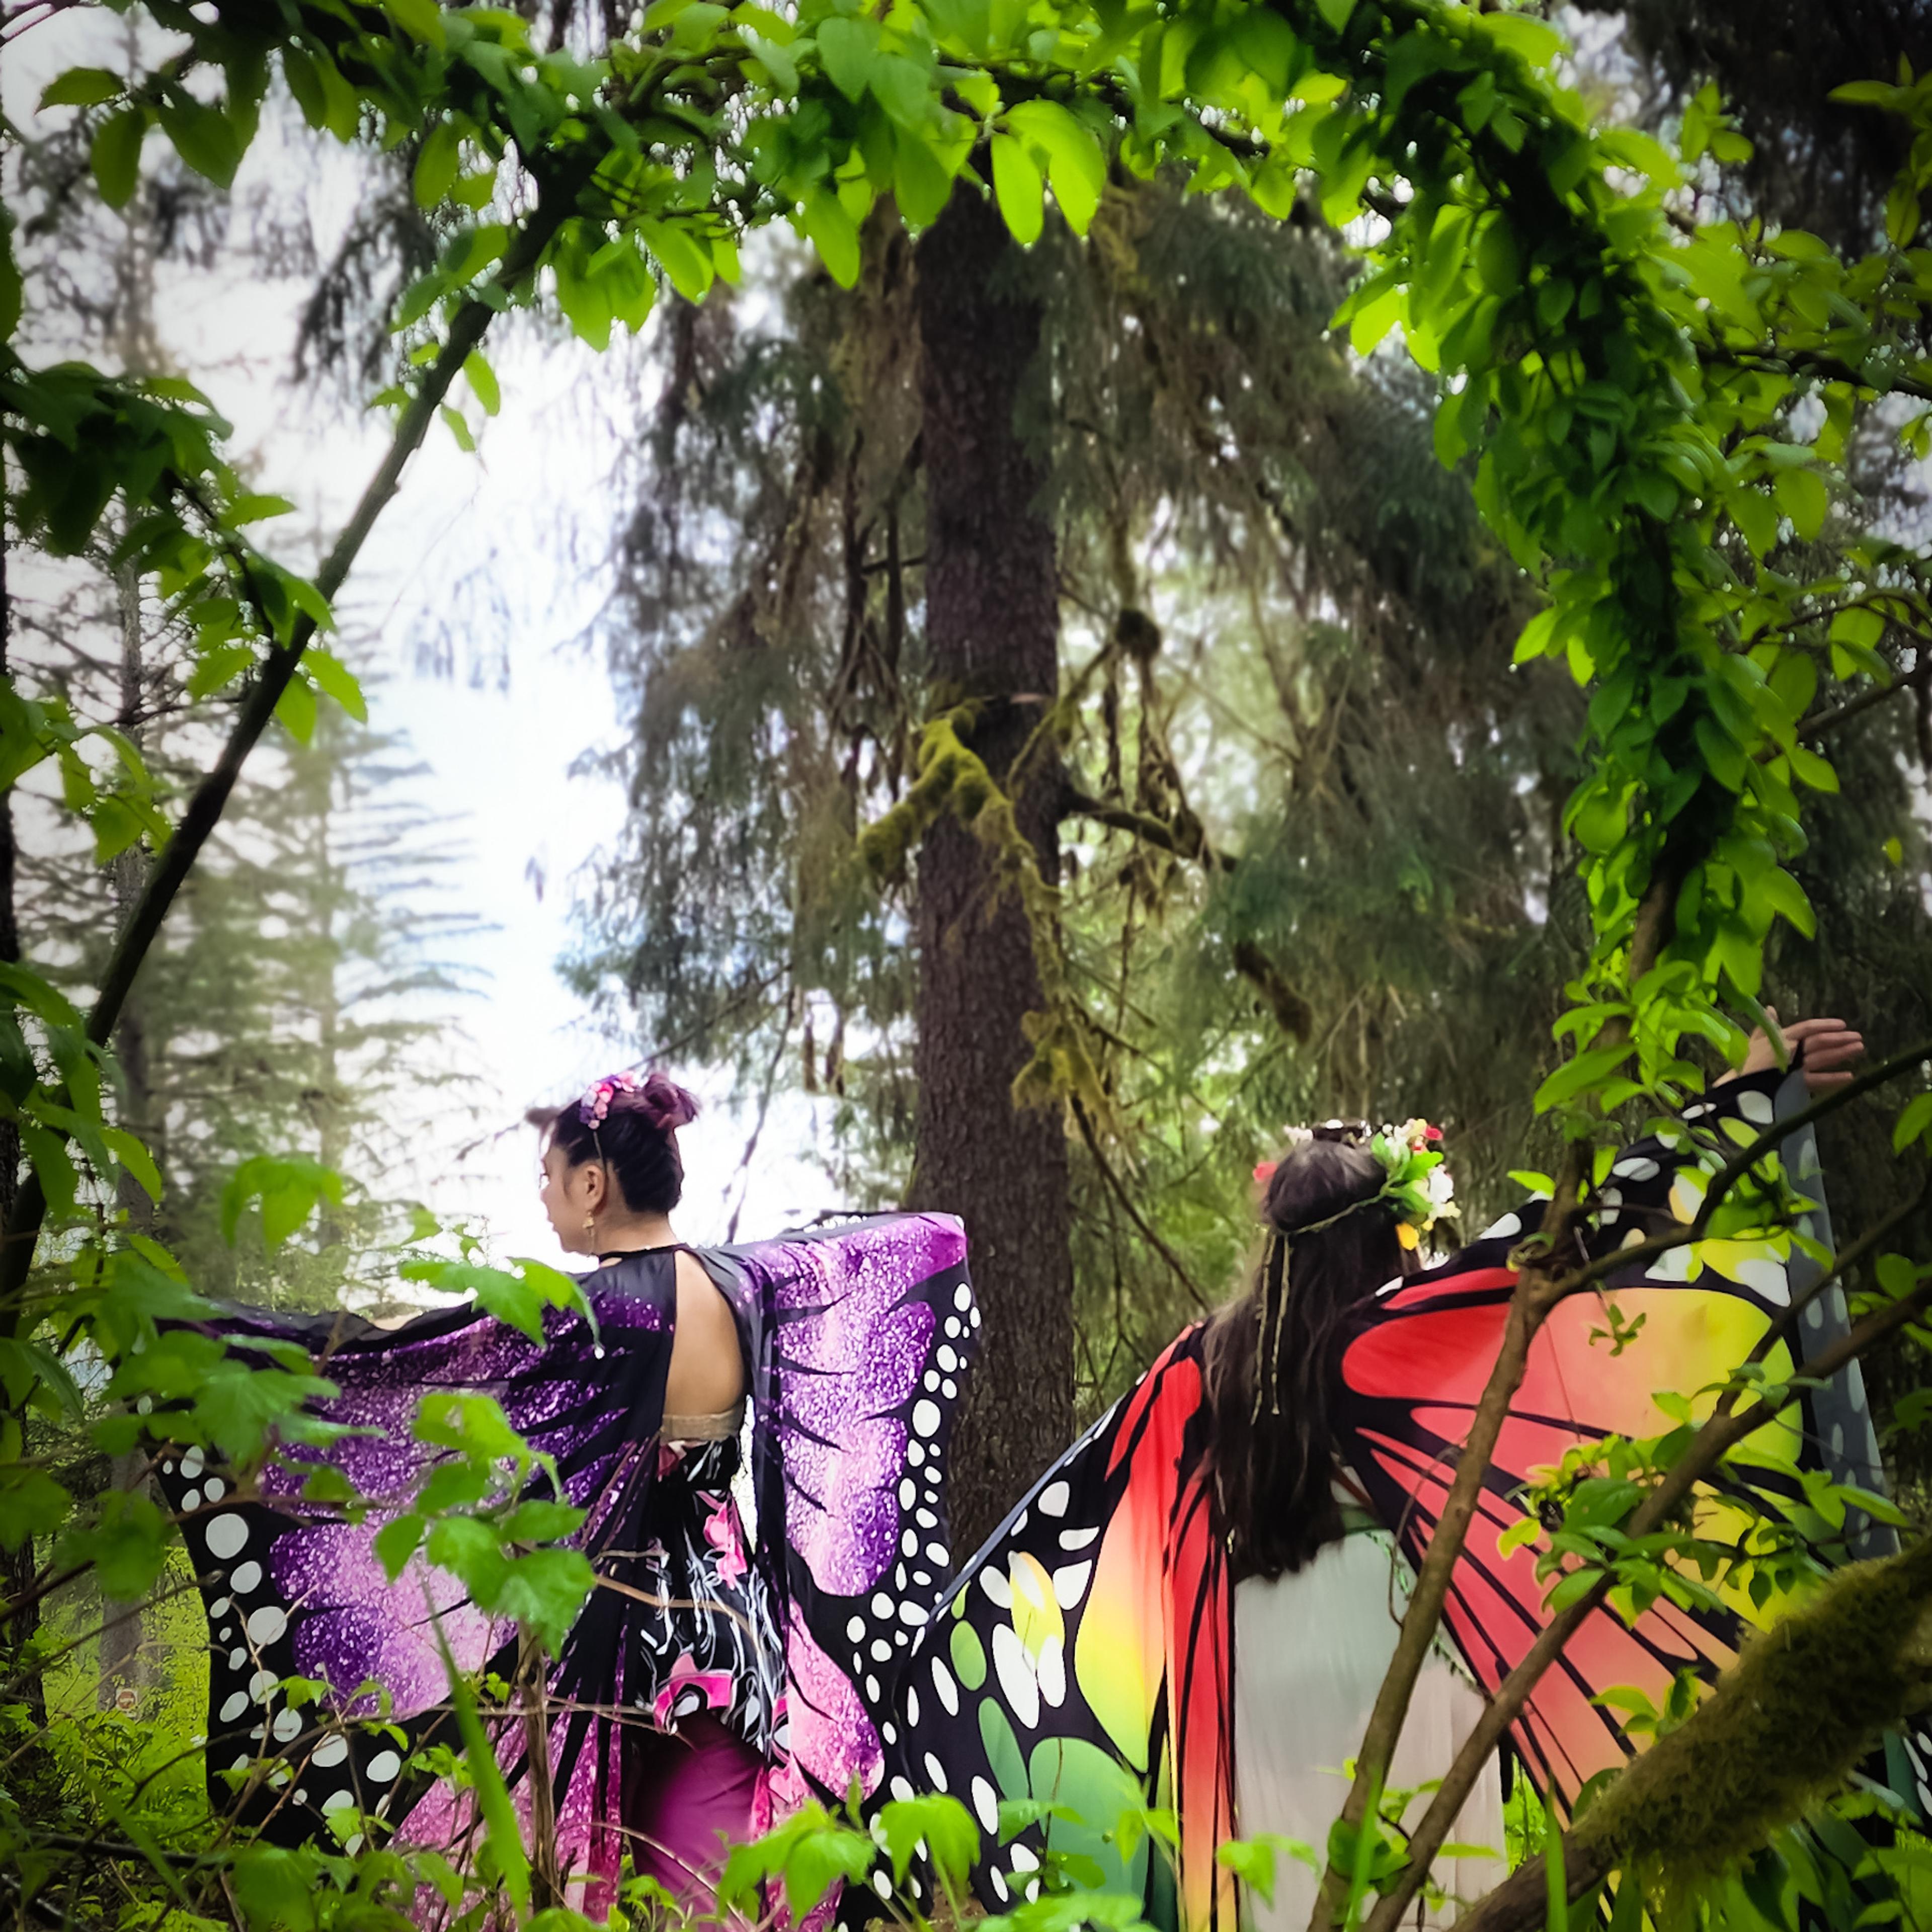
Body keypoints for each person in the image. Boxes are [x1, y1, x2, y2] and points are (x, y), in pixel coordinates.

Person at [886, 1017, 1871, 1932]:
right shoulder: (1410, 1342)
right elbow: (1585, 1240)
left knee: (1286, 1882)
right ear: (1387, 1236)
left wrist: (911, 1669)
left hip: (1255, 1667)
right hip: (1404, 1643)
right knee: (1428, 1883)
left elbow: (1073, 1513)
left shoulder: (1202, 1366)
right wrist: (1738, 1105)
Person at [158, 1070, 980, 1916]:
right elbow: (901, 1250)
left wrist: (207, 1345)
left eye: (550, 1180)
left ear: (594, 1185)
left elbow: (427, 1362)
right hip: (730, 1646)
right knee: (710, 1902)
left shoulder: (599, 1314)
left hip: (606, 1649)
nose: (547, 1200)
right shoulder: (744, 1289)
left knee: (562, 1892)